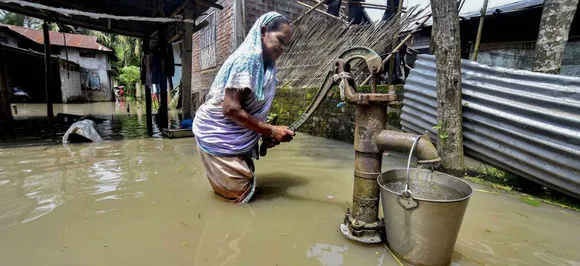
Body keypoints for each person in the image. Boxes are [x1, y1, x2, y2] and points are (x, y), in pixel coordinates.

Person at [192, 12, 295, 204]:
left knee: (237, 193)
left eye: (286, 44)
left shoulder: (266, 64)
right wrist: (270, 130)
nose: (282, 48)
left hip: (233, 134)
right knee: (238, 198)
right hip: (219, 134)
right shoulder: (248, 59)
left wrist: (265, 134)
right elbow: (230, 109)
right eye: (280, 40)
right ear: (263, 32)